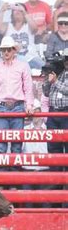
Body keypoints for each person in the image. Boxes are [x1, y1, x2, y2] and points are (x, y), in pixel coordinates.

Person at [0, 36, 34, 167]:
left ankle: (13, 179)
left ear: (14, 51)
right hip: (2, 107)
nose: (6, 52)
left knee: (16, 144)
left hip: (18, 107)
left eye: (8, 50)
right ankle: (3, 179)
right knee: (1, 144)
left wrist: (29, 105)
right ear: (1, 52)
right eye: (4, 50)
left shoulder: (23, 66)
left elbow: (28, 88)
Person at [42, 48, 67, 178]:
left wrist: (55, 82)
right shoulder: (52, 74)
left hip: (66, 114)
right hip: (53, 113)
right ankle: (55, 181)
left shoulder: (65, 75)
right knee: (53, 147)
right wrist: (47, 79)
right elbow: (46, 92)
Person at [0, 3, 44, 69]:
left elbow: (35, 29)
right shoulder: (7, 26)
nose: (17, 11)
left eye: (20, 10)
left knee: (45, 67)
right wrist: (2, 10)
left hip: (30, 58)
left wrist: (24, 11)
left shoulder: (29, 25)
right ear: (12, 14)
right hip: (11, 59)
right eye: (15, 10)